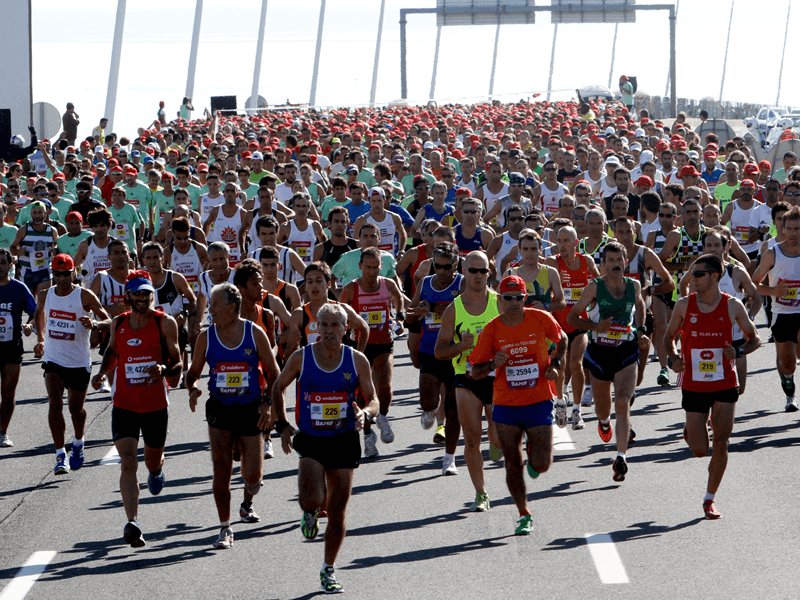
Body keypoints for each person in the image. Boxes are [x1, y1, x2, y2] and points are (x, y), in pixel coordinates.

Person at [272, 303, 379, 594]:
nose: (330, 331)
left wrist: (365, 414)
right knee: (311, 499)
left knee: (337, 511)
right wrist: (281, 425)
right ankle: (309, 510)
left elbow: (373, 399)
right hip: (312, 438)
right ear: (317, 328)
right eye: (325, 325)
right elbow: (277, 387)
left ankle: (328, 568)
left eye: (336, 325)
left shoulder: (357, 360)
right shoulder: (301, 357)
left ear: (346, 329)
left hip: (344, 439)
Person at [467, 275, 566, 535]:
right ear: (500, 300)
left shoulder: (540, 318)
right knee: (513, 461)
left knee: (541, 464)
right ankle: (524, 513)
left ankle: (535, 454)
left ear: (525, 298)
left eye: (518, 298)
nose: (513, 303)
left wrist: (554, 364)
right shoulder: (492, 328)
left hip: (539, 400)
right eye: (508, 298)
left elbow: (562, 339)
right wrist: (491, 365)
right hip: (506, 404)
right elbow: (474, 371)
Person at [90, 270, 182, 548]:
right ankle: (132, 522)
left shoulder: (165, 323)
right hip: (125, 404)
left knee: (152, 462)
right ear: (128, 295)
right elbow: (112, 353)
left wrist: (164, 369)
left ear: (152, 294)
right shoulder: (118, 323)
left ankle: (156, 471)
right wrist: (100, 373)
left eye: (146, 293)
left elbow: (178, 364)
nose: (142, 298)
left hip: (155, 405)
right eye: (137, 293)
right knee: (128, 462)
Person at [665, 254, 760, 519]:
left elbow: (755, 339)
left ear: (715, 276)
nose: (692, 279)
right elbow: (667, 338)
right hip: (694, 384)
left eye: (698, 274)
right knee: (700, 450)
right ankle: (692, 429)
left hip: (725, 382)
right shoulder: (684, 305)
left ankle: (709, 499)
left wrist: (738, 351)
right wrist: (673, 359)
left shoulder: (733, 306)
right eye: (692, 274)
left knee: (722, 442)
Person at [185, 283, 280, 549]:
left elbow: (274, 374)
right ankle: (225, 528)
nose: (209, 310)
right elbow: (192, 372)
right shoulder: (206, 337)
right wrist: (192, 388)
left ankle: (247, 501)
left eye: (215, 304)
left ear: (232, 307)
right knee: (221, 469)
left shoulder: (254, 333)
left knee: (253, 477)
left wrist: (267, 403)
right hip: (220, 408)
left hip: (251, 408)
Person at [567, 242, 649, 482]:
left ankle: (621, 456)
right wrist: (595, 326)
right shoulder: (594, 287)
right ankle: (604, 422)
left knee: (623, 402)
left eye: (619, 260)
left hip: (626, 351)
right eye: (610, 260)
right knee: (604, 409)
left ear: (625, 261)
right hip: (599, 353)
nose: (615, 265)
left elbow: (641, 306)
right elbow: (573, 318)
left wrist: (641, 330)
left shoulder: (633, 285)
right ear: (602, 264)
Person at [434, 251, 501, 511]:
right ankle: (481, 493)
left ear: (489, 273)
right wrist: (460, 346)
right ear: (464, 271)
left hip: (495, 376)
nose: (478, 276)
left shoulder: (499, 303)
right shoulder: (454, 309)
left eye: (483, 271)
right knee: (472, 438)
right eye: (473, 271)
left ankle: (498, 445)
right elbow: (440, 351)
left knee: (496, 438)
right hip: (466, 376)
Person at [33, 254, 108, 475]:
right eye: (57, 274)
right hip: (53, 359)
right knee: (55, 403)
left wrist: (94, 324)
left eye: (66, 274)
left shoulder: (84, 295)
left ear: (74, 272)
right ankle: (60, 454)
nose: (62, 278)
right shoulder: (45, 295)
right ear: (52, 274)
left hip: (78, 361)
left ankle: (78, 442)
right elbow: (39, 314)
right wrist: (40, 339)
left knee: (76, 409)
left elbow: (107, 320)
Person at [339, 247, 404, 457]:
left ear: (381, 267)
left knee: (384, 385)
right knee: (362, 394)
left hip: (384, 341)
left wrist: (400, 316)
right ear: (360, 266)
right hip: (360, 346)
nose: (372, 272)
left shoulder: (388, 284)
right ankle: (368, 436)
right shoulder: (350, 289)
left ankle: (383, 416)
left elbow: (398, 297)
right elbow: (341, 312)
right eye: (368, 267)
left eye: (376, 267)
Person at [406, 242, 463, 475]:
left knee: (453, 408)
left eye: (447, 266)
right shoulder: (424, 283)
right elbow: (409, 317)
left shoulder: (463, 283)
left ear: (456, 264)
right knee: (429, 402)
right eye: (437, 266)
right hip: (429, 350)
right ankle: (429, 410)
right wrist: (416, 313)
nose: (441, 272)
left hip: (455, 352)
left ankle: (450, 458)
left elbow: (463, 308)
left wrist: (434, 307)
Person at [545, 226, 599, 426]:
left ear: (576, 242)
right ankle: (560, 402)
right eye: (559, 240)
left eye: (567, 240)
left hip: (579, 322)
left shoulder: (587, 261)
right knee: (560, 365)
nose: (562, 244)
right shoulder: (553, 262)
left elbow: (599, 285)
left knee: (576, 364)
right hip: (558, 324)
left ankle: (577, 411)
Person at [752, 205, 800, 412]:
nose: (792, 233)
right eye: (789, 228)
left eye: (797, 229)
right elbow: (754, 283)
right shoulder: (773, 253)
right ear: (782, 227)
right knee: (788, 364)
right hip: (782, 313)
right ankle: (789, 389)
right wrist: (773, 291)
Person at [141, 242, 198, 386]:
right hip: (150, 331)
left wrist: (184, 315)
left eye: (156, 257)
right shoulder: (140, 281)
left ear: (162, 258)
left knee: (173, 381)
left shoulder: (175, 278)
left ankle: (184, 371)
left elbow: (192, 301)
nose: (152, 261)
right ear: (143, 260)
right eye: (148, 258)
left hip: (174, 329)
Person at [0, 249, 36, 447]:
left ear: (10, 265)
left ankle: (2, 432)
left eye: (2, 263)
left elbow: (34, 311)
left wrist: (30, 325)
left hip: (12, 346)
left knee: (8, 392)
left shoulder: (19, 288)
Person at [10, 201, 58, 294]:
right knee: (30, 302)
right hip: (27, 270)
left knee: (42, 300)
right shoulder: (24, 229)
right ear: (31, 214)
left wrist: (54, 250)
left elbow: (56, 244)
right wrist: (18, 252)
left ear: (45, 213)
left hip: (44, 269)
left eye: (40, 212)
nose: (37, 215)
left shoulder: (52, 230)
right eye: (35, 212)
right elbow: (12, 248)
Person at [74, 208, 114, 286]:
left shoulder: (116, 244)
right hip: (90, 289)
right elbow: (73, 266)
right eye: (95, 226)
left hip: (111, 289)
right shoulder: (85, 245)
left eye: (102, 225)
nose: (99, 229)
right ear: (92, 227)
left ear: (109, 226)